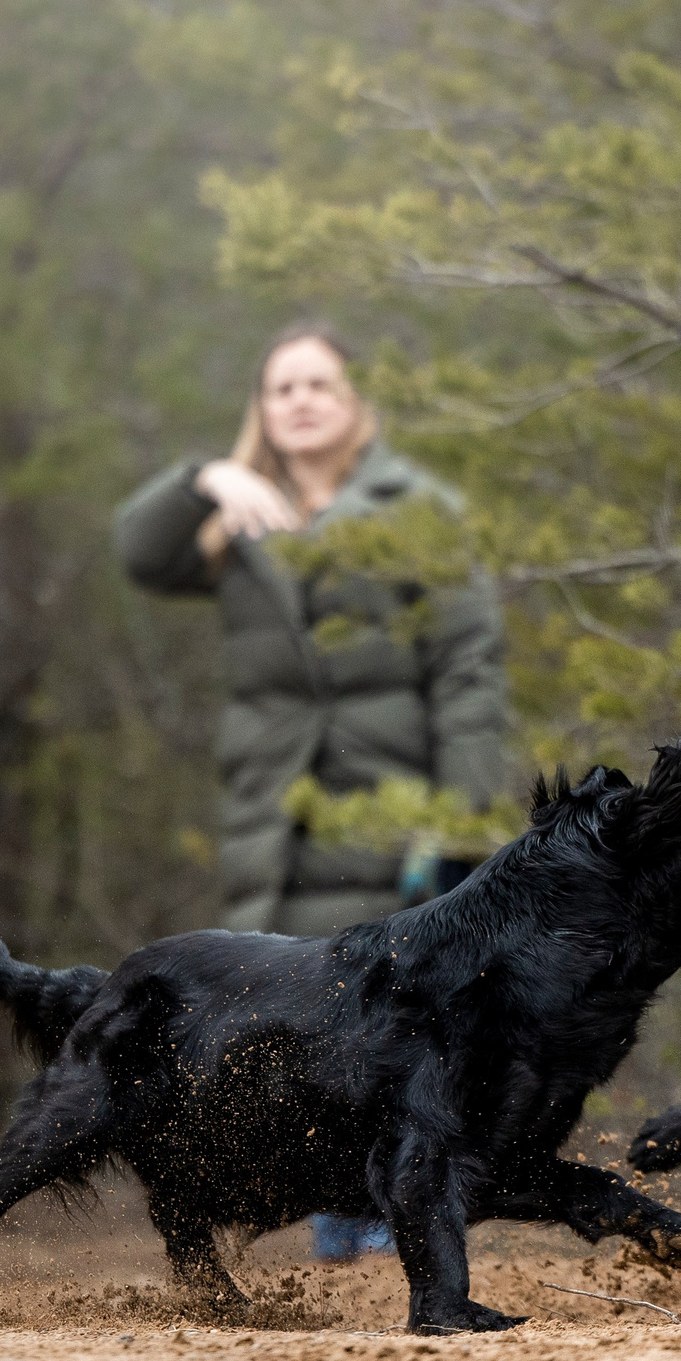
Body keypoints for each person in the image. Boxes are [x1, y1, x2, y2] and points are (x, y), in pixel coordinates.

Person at [114, 323, 509, 1262]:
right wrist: (203, 477)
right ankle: (340, 1238)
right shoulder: (236, 512)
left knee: (396, 1031)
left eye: (318, 383)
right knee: (293, 1034)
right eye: (280, 386)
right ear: (263, 407)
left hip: (390, 811)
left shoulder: (420, 508)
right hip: (274, 819)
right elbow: (141, 554)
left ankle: (396, 1237)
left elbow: (469, 672)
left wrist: (462, 818)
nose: (298, 399)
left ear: (356, 401)